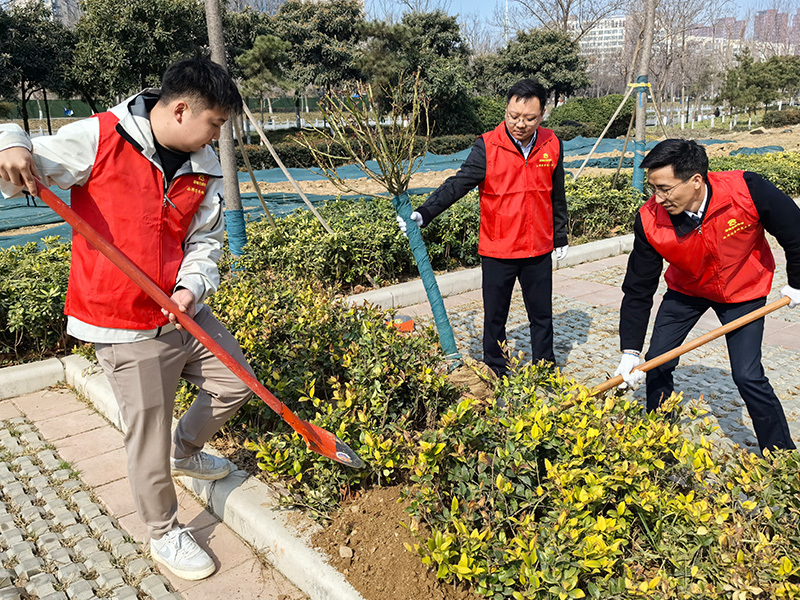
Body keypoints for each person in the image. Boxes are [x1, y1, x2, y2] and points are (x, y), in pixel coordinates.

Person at [0, 57, 254, 580]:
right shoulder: (101, 137)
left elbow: (204, 240)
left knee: (235, 383)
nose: (218, 136)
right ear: (182, 110)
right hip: (124, 324)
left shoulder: (202, 165)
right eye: (216, 123)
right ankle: (163, 533)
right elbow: (20, 152)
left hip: (186, 311)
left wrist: (191, 287)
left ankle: (185, 450)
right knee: (146, 433)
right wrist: (10, 141)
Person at [614, 138, 800, 452]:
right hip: (686, 289)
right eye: (653, 188)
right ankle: (659, 446)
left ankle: (781, 454)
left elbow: (794, 232)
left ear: (696, 180)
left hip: (743, 290)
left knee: (747, 375)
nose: (657, 198)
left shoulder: (746, 189)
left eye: (665, 189)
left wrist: (797, 282)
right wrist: (629, 352)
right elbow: (638, 287)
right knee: (657, 362)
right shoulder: (649, 218)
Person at [397, 79, 568, 376]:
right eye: (513, 116)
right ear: (506, 110)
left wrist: (560, 234)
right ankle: (496, 369)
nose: (519, 124)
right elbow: (458, 184)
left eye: (528, 118)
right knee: (495, 317)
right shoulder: (488, 145)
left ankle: (545, 369)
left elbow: (557, 193)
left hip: (538, 245)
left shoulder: (552, 144)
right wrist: (424, 213)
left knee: (541, 315)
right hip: (499, 247)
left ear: (542, 116)